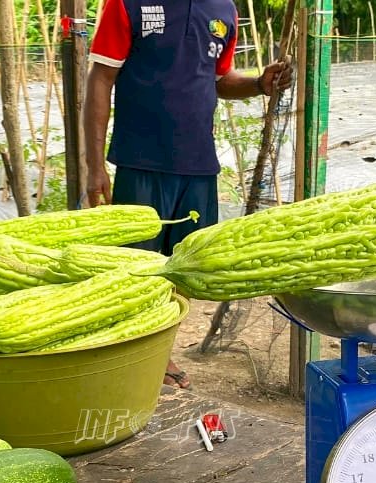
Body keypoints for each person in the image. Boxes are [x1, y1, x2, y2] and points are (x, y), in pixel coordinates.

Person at [85, 0, 292, 388]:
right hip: (140, 162)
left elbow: (219, 79)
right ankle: (132, 357)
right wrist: (94, 165)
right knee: (136, 269)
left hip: (198, 165)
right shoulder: (125, 3)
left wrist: (258, 84)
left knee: (185, 269)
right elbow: (101, 78)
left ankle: (158, 352)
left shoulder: (224, 9)